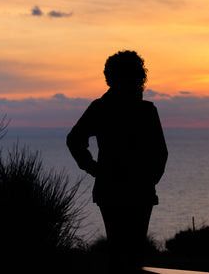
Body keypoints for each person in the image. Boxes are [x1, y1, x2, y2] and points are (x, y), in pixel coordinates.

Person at [67, 50, 168, 274]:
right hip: (125, 189)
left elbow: (160, 153)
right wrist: (93, 168)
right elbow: (160, 153)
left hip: (121, 189)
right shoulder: (138, 110)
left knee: (122, 251)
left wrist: (93, 168)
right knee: (130, 253)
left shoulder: (111, 108)